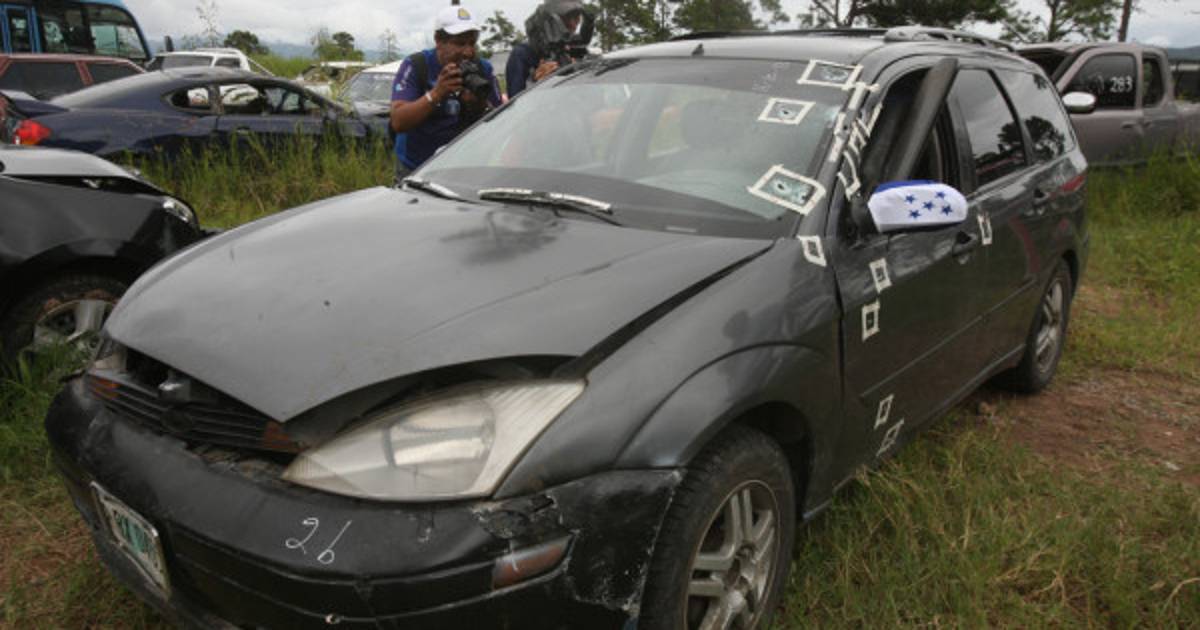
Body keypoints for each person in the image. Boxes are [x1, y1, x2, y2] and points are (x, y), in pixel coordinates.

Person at [389, 5, 501, 182]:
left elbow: (500, 120)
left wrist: (477, 104)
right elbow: (398, 121)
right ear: (438, 41)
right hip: (415, 166)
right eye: (460, 43)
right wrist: (436, 93)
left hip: (461, 167)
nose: (468, 52)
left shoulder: (482, 69)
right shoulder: (416, 65)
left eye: (472, 43)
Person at [505, 0, 586, 99]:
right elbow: (515, 101)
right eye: (567, 17)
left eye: (577, 18)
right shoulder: (523, 54)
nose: (573, 24)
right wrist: (536, 82)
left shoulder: (575, 49)